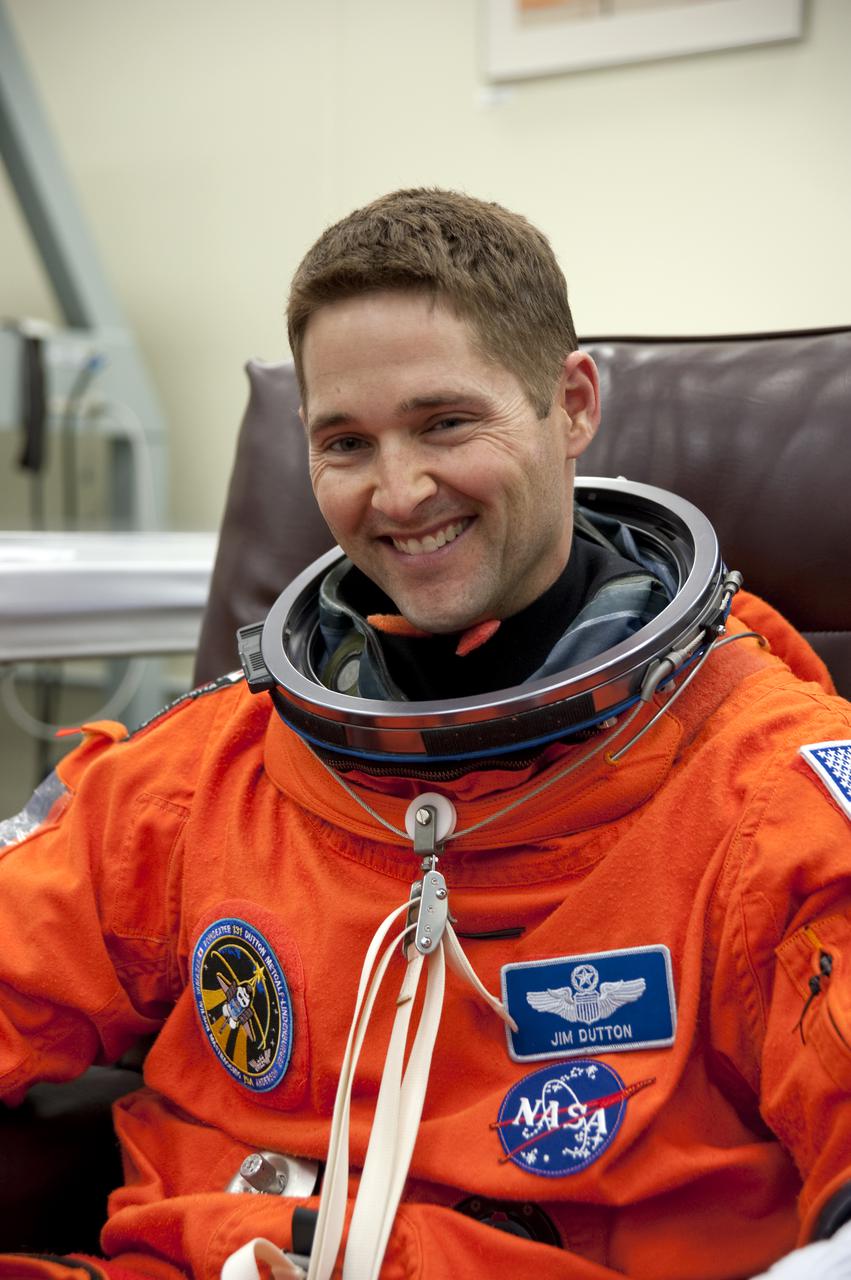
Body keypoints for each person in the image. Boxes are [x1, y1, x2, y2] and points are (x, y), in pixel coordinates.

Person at [1, 188, 850, 1280]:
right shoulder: (208, 768)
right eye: (344, 442)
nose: (396, 493)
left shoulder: (765, 790)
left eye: (444, 422)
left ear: (573, 402)